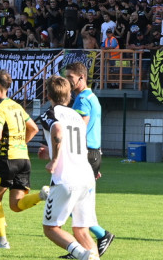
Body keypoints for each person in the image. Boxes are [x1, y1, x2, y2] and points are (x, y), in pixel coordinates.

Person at [35, 75, 100, 260]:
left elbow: (57, 130)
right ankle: (92, 257)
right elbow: (76, 145)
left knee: (51, 228)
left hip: (66, 179)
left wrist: (54, 159)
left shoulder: (50, 113)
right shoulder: (78, 117)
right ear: (69, 95)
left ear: (48, 96)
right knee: (82, 230)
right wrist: (51, 152)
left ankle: (82, 255)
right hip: (85, 176)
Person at [0, 69, 41, 249]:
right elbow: (34, 128)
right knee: (16, 205)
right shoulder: (17, 106)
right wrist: (20, 143)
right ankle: (42, 195)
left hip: (8, 159)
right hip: (24, 160)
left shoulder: (0, 108)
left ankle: (3, 241)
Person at [64, 61, 115, 256]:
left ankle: (99, 238)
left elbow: (80, 127)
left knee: (70, 203)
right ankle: (84, 248)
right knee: (76, 204)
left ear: (81, 78)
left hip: (85, 153)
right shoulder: (92, 97)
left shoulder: (83, 100)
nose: (68, 82)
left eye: (70, 78)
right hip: (93, 154)